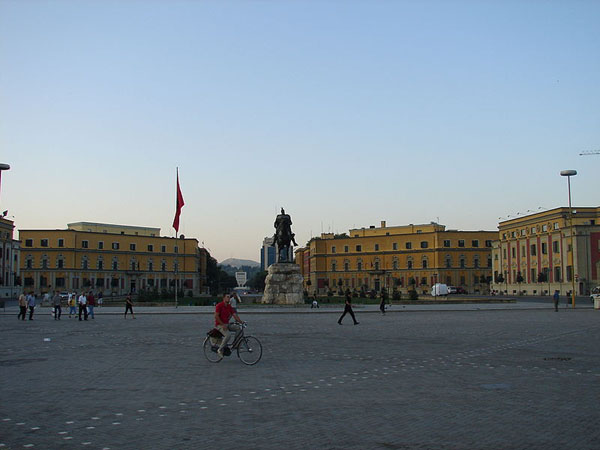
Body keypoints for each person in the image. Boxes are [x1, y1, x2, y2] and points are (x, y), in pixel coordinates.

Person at [214, 293, 243, 358]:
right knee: (228, 335)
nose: (229, 298)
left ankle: (235, 344)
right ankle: (220, 349)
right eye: (227, 297)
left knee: (239, 328)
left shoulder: (229, 306)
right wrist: (222, 324)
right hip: (219, 325)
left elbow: (234, 315)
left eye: (229, 297)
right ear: (223, 298)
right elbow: (216, 316)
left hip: (227, 324)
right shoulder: (219, 305)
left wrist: (241, 322)